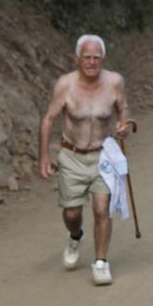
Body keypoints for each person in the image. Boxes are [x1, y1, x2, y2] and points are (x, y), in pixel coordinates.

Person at [38, 34, 132, 285]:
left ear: (103, 59)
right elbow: (48, 119)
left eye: (96, 57)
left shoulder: (114, 82)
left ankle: (101, 262)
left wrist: (125, 125)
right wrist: (45, 156)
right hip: (72, 156)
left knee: (102, 209)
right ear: (77, 59)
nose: (92, 62)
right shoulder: (65, 85)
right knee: (71, 213)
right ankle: (75, 235)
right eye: (87, 57)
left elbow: (123, 109)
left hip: (103, 156)